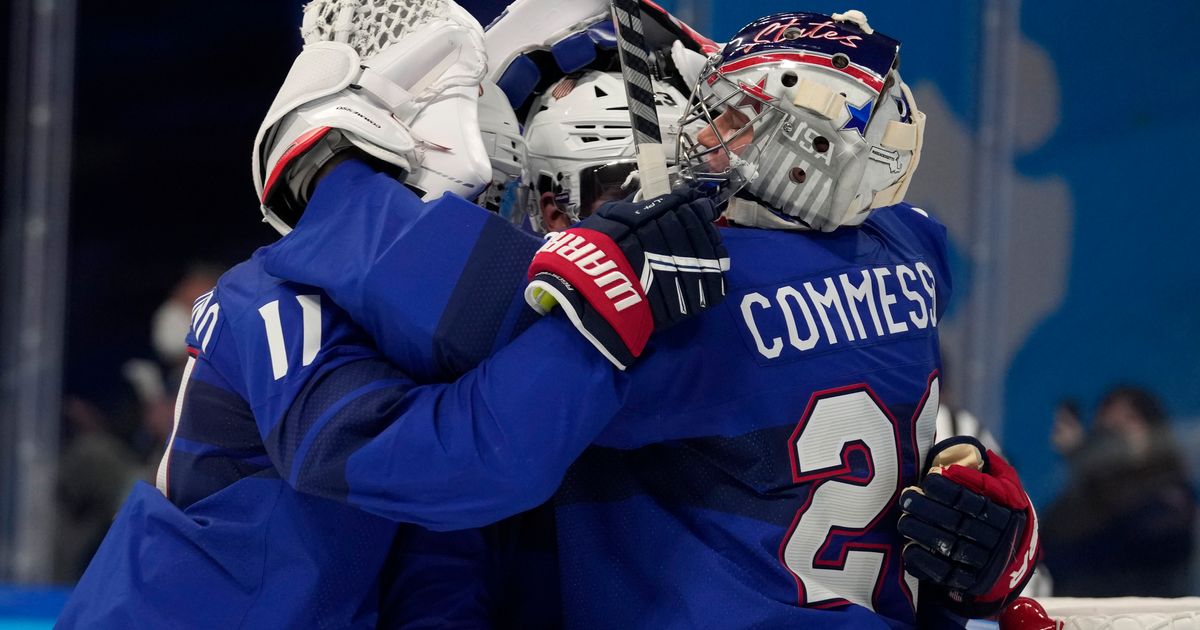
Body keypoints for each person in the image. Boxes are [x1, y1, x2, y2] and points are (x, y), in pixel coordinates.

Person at [262, 9, 1041, 627]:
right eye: (567, 203)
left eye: (608, 196)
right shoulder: (910, 248)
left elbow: (456, 391)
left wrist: (330, 172)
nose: (595, 224)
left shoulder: (682, 299)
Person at [58, 3, 728, 627]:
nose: (486, 219)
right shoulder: (269, 299)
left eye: (499, 195)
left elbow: (439, 564)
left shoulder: (419, 335)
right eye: (479, 192)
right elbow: (438, 466)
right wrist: (595, 323)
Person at [1043, 386, 1196, 597]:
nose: (1117, 430)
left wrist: (1083, 458)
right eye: (1107, 424)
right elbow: (1052, 549)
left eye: (1131, 419)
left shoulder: (1171, 496)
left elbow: (1136, 531)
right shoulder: (1078, 501)